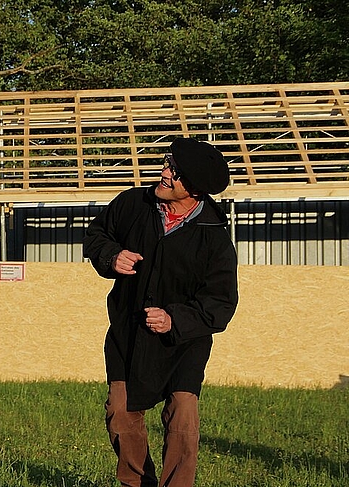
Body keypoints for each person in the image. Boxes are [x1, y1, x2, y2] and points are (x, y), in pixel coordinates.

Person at [83, 137, 238, 487]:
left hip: (185, 342)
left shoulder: (214, 238)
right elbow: (96, 235)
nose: (164, 173)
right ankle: (138, 484)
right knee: (120, 414)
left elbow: (221, 304)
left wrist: (174, 319)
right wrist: (111, 256)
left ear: (194, 190)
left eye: (174, 171)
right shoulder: (131, 203)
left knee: (182, 415)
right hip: (128, 333)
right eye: (167, 163)